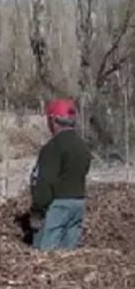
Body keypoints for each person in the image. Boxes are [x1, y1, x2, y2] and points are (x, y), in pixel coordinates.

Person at [29, 98, 92, 251]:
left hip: (57, 206)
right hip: (78, 204)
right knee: (67, 258)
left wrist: (37, 210)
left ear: (53, 120)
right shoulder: (83, 146)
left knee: (45, 255)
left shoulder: (53, 147)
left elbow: (44, 181)